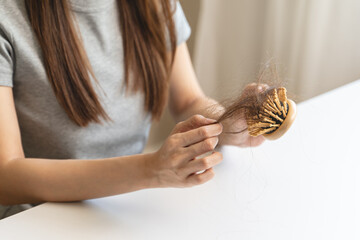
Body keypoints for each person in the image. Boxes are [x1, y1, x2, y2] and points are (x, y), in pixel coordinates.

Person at [0, 0, 265, 218]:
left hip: (127, 207)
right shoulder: (7, 16)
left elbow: (187, 102)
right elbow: (6, 177)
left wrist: (226, 122)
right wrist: (150, 170)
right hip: (35, 219)